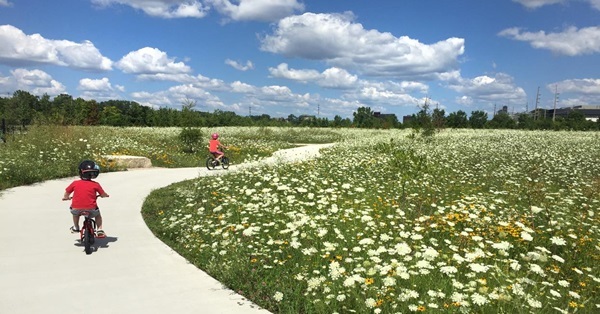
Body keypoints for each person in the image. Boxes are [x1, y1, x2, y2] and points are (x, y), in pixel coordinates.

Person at [62, 160, 109, 237]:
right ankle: (99, 229)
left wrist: (66, 197)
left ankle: (76, 227)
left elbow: (67, 192)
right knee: (98, 215)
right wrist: (105, 195)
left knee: (75, 214)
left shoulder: (75, 183)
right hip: (92, 209)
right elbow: (103, 194)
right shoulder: (96, 184)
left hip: (76, 209)